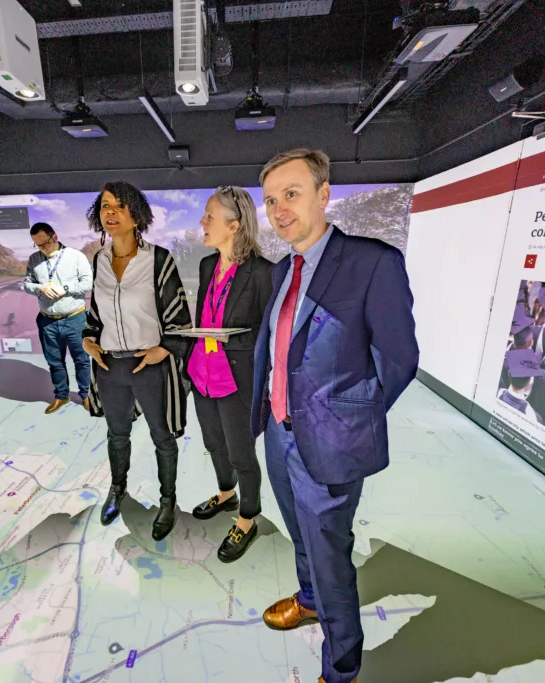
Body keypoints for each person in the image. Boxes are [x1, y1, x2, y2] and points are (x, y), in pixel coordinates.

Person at [250, 148, 419, 683]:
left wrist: (347, 418)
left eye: (292, 194)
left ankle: (341, 668)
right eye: (271, 200)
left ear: (324, 194)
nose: (279, 210)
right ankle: (307, 600)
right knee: (302, 536)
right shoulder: (282, 270)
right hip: (279, 434)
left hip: (329, 441)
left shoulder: (373, 262)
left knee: (331, 557)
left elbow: (398, 359)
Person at [81, 181, 193, 542]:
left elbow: (179, 313)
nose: (110, 213)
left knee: (163, 437)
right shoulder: (98, 260)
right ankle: (117, 488)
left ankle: (167, 500)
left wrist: (166, 347)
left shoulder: (158, 260)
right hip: (111, 366)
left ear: (137, 215)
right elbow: (95, 314)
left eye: (119, 207)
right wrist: (88, 339)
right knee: (116, 434)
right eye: (105, 207)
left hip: (151, 365)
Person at [188, 185, 273, 563]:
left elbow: (271, 334)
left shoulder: (263, 273)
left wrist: (232, 337)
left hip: (236, 377)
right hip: (202, 373)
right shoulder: (208, 265)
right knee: (213, 444)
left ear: (234, 225)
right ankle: (227, 495)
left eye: (209, 216)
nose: (203, 223)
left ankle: (247, 517)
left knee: (242, 454)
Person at [23, 222, 94, 413]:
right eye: (38, 245)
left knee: (82, 360)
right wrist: (40, 287)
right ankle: (61, 396)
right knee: (54, 361)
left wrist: (66, 289)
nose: (43, 248)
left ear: (54, 237)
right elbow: (27, 284)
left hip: (74, 318)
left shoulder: (76, 256)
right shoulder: (34, 259)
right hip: (47, 320)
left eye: (45, 243)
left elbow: (89, 282)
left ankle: (86, 395)